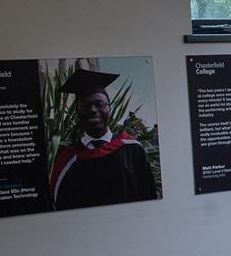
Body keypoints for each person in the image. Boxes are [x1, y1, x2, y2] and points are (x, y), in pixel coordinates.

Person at [49, 68, 159, 211]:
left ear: (110, 109)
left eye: (100, 104)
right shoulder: (67, 159)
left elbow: (148, 198)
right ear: (77, 111)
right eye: (85, 105)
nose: (93, 110)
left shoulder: (133, 150)